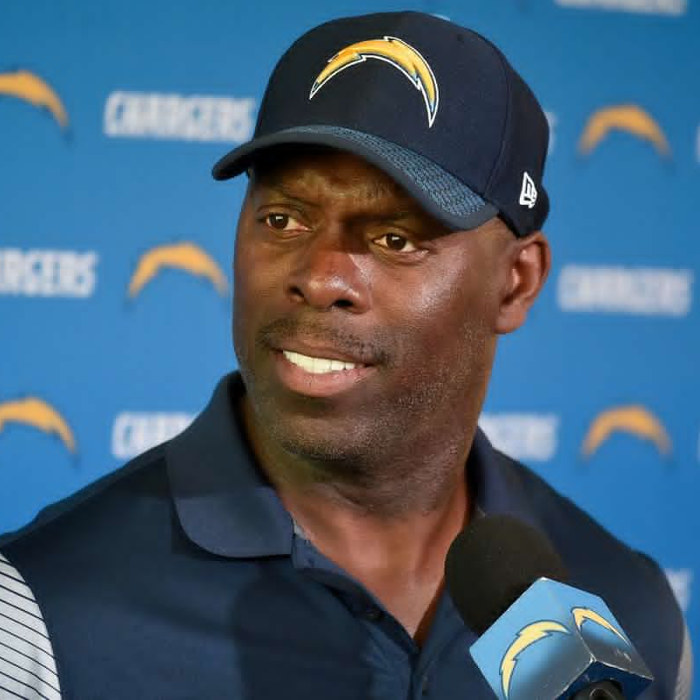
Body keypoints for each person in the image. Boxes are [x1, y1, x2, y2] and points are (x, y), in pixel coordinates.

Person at [0, 11, 691, 699]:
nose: (320, 276)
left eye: (395, 238)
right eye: (283, 219)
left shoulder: (626, 606)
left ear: (515, 283)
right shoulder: (41, 616)